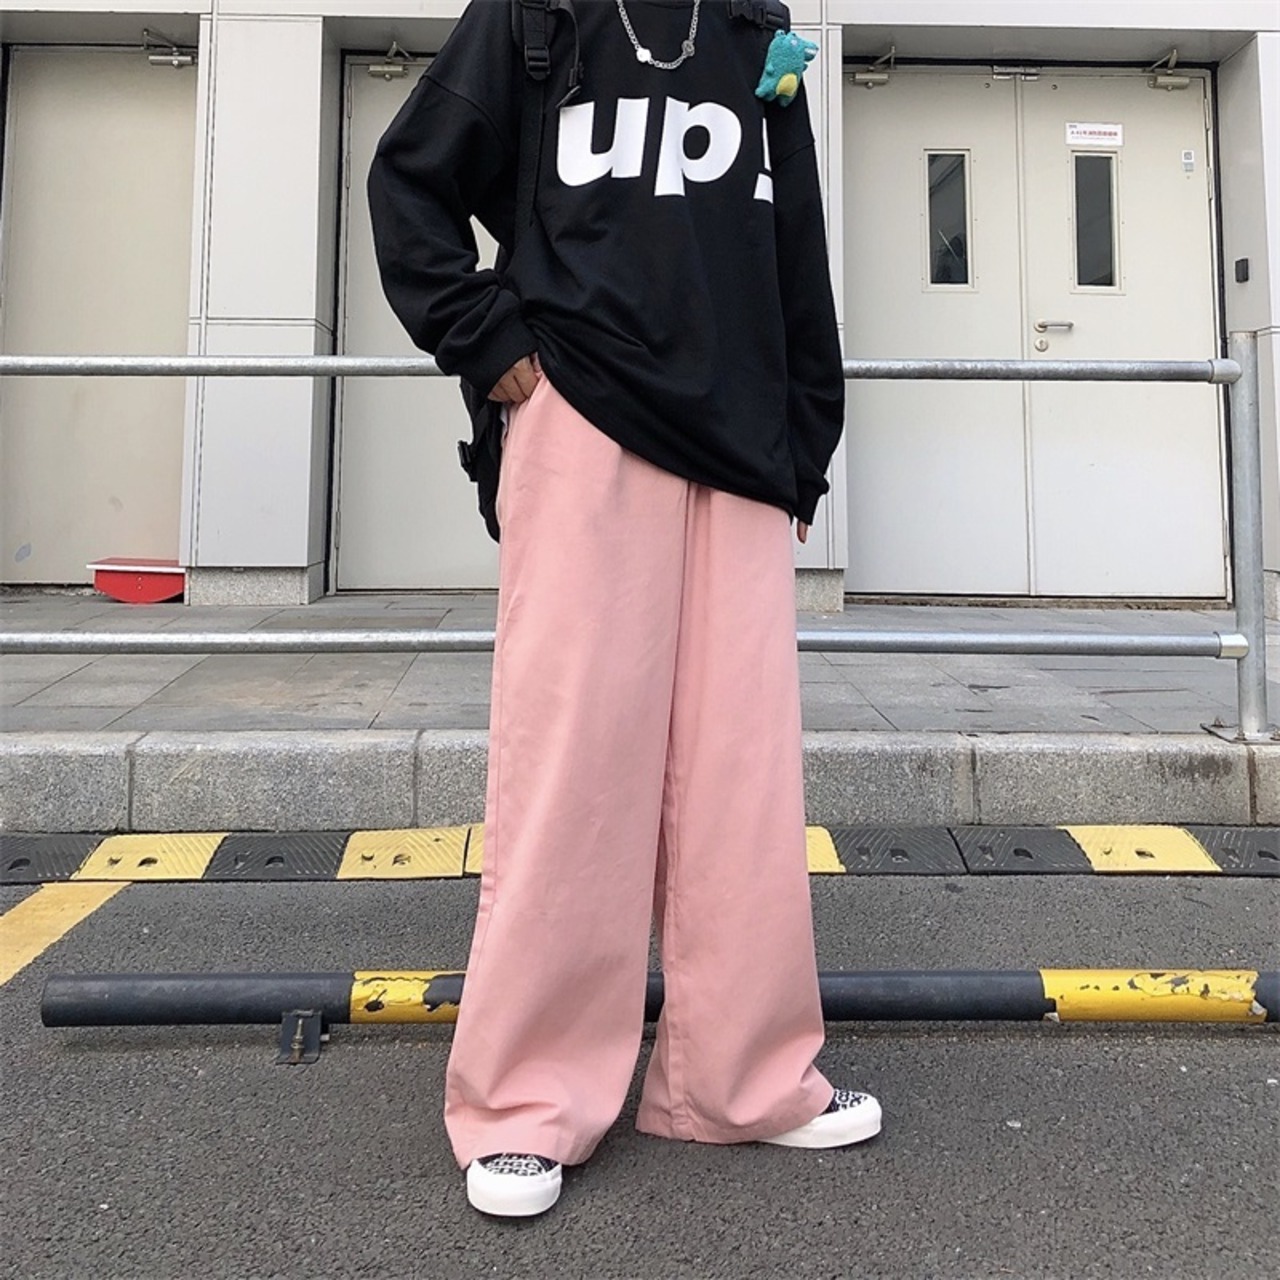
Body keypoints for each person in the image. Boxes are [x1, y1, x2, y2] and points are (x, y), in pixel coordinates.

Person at [368, 0, 881, 1219]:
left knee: (740, 781)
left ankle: (738, 1077)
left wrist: (805, 437)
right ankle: (526, 1100)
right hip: (584, 418)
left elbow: (791, 240)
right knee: (574, 766)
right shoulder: (534, 16)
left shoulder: (753, 30)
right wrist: (482, 337)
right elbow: (409, 181)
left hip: (739, 450)